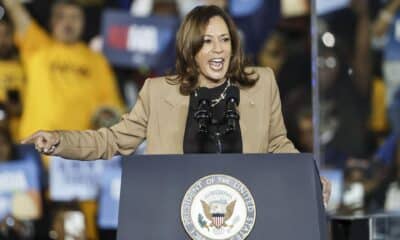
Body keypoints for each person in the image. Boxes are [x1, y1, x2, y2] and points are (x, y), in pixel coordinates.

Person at [21, 5, 331, 205]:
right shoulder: (158, 92)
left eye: (225, 39)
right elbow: (112, 140)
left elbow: (277, 143)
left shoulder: (260, 83)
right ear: (189, 46)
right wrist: (59, 140)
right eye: (207, 41)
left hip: (244, 211)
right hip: (177, 212)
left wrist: (307, 177)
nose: (218, 49)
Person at [1, 0, 124, 140]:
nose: (68, 23)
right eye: (61, 17)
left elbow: (111, 106)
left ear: (83, 22)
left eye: (74, 17)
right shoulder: (36, 47)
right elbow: (14, 8)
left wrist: (106, 116)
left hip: (82, 150)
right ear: (52, 21)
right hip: (37, 145)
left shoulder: (97, 61)